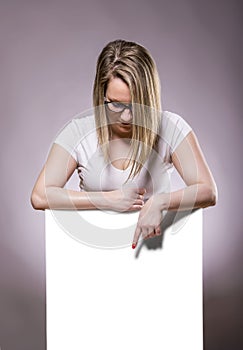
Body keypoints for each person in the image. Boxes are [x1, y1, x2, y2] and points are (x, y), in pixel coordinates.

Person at [31, 39, 217, 249]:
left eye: (136, 105)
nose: (127, 116)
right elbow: (39, 196)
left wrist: (160, 202)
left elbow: (208, 191)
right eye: (116, 104)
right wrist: (106, 200)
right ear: (101, 96)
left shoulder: (170, 127)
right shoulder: (79, 131)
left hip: (156, 253)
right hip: (92, 252)